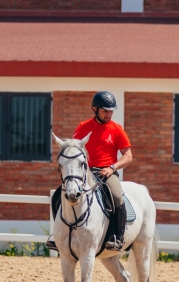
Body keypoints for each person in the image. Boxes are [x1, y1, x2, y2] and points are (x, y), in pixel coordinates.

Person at [46, 91, 133, 251]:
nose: (109, 114)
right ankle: (57, 235)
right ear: (95, 109)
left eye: (111, 111)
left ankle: (118, 237)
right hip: (85, 172)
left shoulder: (117, 129)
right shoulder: (83, 127)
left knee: (116, 195)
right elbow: (73, 148)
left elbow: (128, 156)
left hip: (107, 172)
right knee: (59, 194)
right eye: (105, 110)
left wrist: (112, 167)